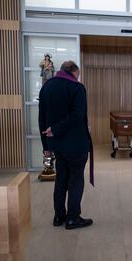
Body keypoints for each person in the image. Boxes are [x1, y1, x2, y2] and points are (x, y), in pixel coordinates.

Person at [38, 60, 93, 230]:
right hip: (76, 144)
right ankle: (72, 218)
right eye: (77, 75)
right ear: (74, 72)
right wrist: (56, 129)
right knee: (75, 180)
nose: (78, 78)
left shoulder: (46, 87)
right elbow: (77, 116)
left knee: (61, 179)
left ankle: (58, 216)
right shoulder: (77, 88)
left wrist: (46, 146)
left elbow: (42, 119)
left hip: (57, 146)